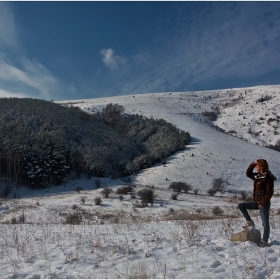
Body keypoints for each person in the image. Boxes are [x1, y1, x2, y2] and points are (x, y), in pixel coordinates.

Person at [238, 159, 276, 247]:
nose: (256, 166)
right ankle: (250, 221)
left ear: (262, 166)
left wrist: (262, 202)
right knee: (241, 206)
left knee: (265, 223)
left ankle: (265, 241)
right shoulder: (257, 176)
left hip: (264, 204)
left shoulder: (268, 177)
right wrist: (251, 165)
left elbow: (269, 192)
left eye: (257, 165)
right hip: (256, 202)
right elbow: (248, 174)